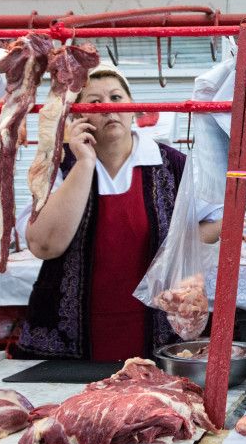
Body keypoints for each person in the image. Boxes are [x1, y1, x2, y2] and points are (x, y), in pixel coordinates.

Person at [16, 62, 223, 361]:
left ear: (133, 108)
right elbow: (44, 245)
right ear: (79, 114)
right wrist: (84, 163)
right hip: (68, 340)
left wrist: (178, 246)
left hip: (156, 330)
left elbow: (222, 217)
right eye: (95, 101)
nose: (108, 107)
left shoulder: (172, 165)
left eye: (116, 97)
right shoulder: (61, 167)